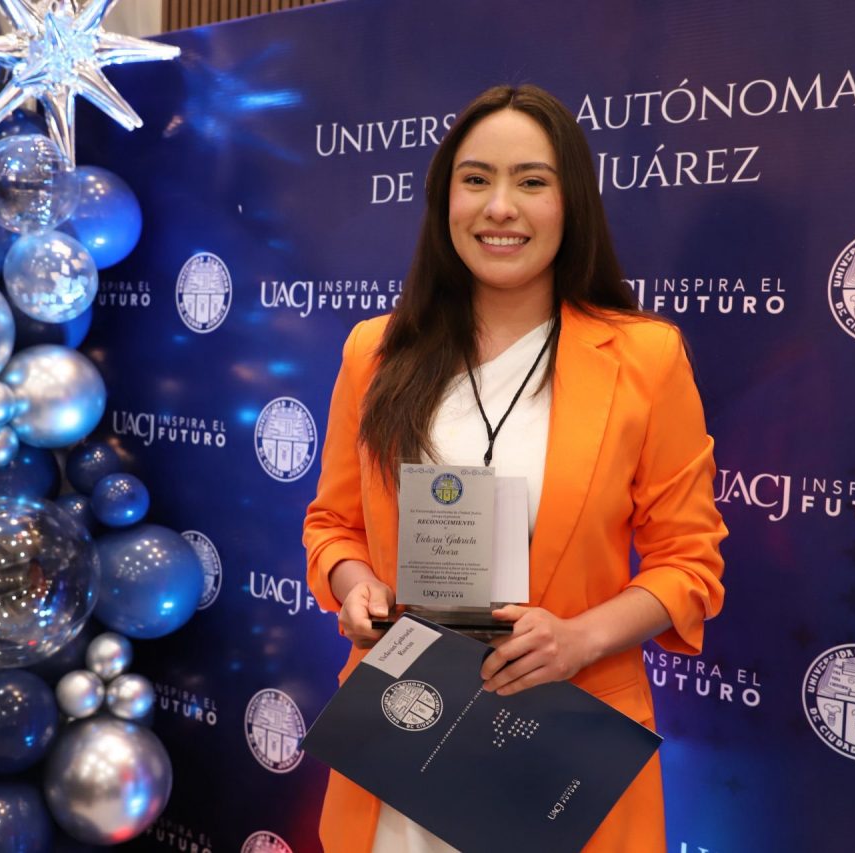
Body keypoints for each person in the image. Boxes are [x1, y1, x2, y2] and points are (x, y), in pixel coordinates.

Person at [303, 83, 727, 853]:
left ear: (572, 204)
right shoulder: (376, 351)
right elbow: (333, 524)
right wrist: (354, 583)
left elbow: (688, 564)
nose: (500, 207)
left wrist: (580, 638)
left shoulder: (644, 357)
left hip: (560, 752)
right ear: (445, 200)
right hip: (404, 732)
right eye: (476, 179)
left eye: (531, 181)